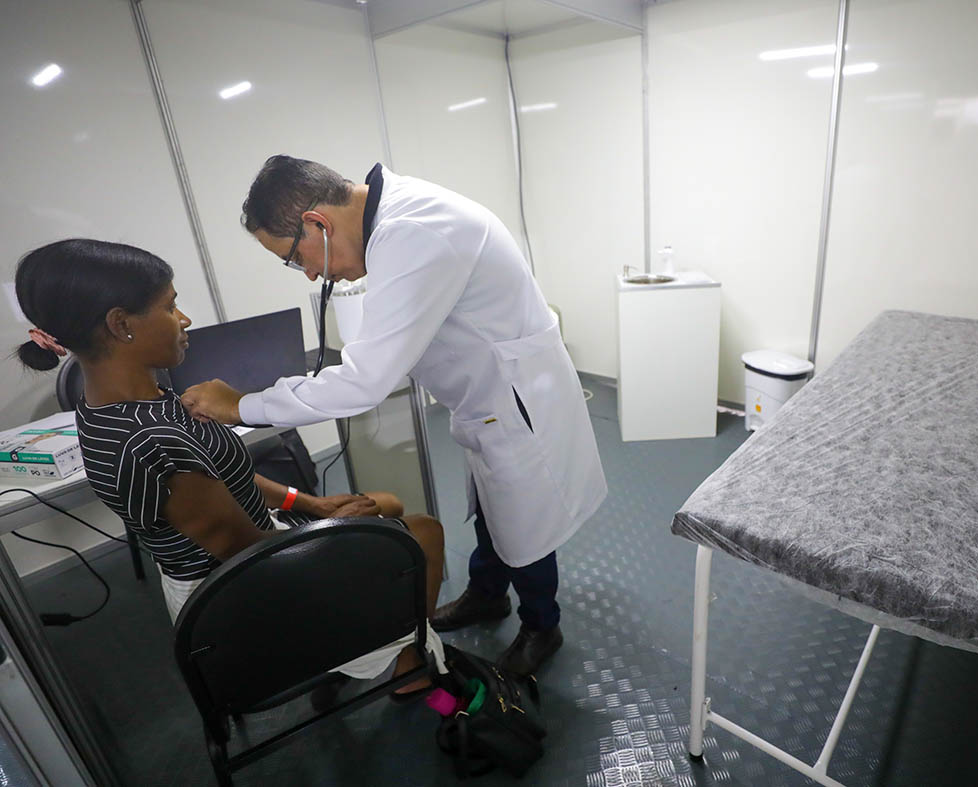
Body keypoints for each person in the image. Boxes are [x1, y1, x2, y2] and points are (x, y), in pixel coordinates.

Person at [181, 156, 607, 675]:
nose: (311, 274)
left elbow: (365, 382)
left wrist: (241, 405)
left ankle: (542, 625)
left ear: (317, 224)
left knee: (523, 519)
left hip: (513, 399)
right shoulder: (394, 220)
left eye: (295, 259)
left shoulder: (413, 233)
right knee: (494, 507)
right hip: (487, 395)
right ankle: (489, 594)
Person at [15, 238, 445, 695]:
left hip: (248, 551)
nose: (184, 320)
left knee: (385, 504)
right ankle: (409, 665)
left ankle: (385, 645)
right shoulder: (150, 440)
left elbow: (225, 478)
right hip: (236, 594)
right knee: (422, 532)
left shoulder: (121, 403)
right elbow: (248, 552)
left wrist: (312, 504)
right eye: (170, 307)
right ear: (121, 324)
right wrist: (332, 529)